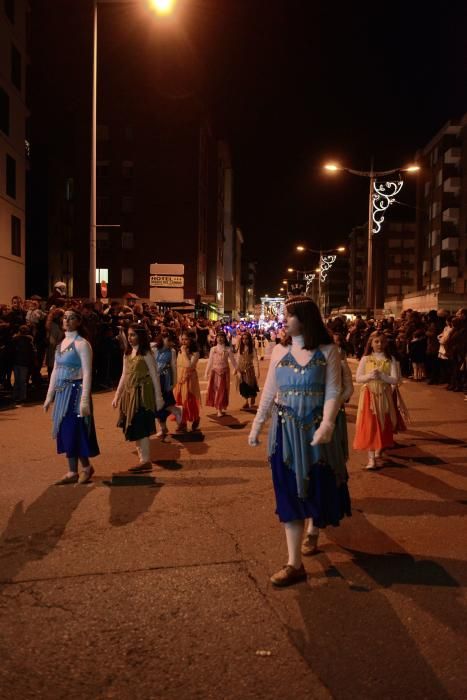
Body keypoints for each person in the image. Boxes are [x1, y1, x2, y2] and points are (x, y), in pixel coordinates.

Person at [248, 296, 351, 588]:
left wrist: (329, 423)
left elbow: (334, 390)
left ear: (305, 318)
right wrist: (257, 426)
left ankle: (314, 528)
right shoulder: (278, 351)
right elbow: (269, 393)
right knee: (289, 492)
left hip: (318, 432)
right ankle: (294, 563)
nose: (285, 320)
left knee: (317, 486)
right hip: (286, 433)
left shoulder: (330, 351)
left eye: (290, 315)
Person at [43, 310, 99, 485]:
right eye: (65, 317)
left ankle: (87, 467)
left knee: (77, 430)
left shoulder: (82, 344)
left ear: (79, 322)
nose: (67, 320)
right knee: (65, 431)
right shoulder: (61, 344)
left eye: (71, 317)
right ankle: (72, 470)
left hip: (76, 392)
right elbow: (55, 371)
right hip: (62, 393)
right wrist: (49, 395)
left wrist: (84, 399)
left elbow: (88, 372)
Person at [112, 324, 164, 472]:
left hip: (143, 394)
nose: (130, 338)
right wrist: (117, 395)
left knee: (141, 425)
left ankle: (145, 460)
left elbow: (155, 375)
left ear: (140, 336)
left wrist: (158, 397)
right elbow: (124, 374)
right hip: (129, 393)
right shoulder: (127, 353)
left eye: (133, 335)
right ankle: (143, 458)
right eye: (129, 335)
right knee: (134, 425)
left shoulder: (146, 353)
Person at [353, 331, 401, 469]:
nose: (379, 345)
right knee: (370, 425)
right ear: (371, 343)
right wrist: (369, 376)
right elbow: (358, 378)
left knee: (382, 424)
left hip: (384, 396)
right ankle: (371, 459)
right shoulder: (365, 359)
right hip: (369, 396)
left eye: (382, 342)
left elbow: (395, 379)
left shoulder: (390, 359)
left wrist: (382, 376)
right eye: (376, 342)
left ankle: (379, 449)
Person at [151, 330, 182, 437]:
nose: (171, 343)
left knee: (164, 403)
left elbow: (174, 367)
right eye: (169, 340)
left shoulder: (172, 351)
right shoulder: (153, 348)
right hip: (154, 379)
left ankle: (176, 411)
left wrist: (174, 382)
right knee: (156, 406)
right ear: (163, 338)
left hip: (165, 379)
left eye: (172, 341)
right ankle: (163, 428)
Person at [173, 332, 202, 432]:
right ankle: (182, 423)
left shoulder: (195, 353)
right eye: (183, 339)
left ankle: (196, 418)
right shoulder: (180, 351)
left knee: (189, 400)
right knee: (179, 400)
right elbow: (178, 365)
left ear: (191, 340)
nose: (184, 342)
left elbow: (189, 365)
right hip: (180, 380)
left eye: (186, 339)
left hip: (190, 379)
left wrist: (185, 353)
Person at [205, 330, 237, 417]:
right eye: (218, 337)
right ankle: (218, 407)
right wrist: (206, 372)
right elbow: (210, 361)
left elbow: (233, 361)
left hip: (224, 373)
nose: (220, 339)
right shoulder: (213, 349)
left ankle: (220, 408)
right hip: (215, 372)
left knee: (222, 390)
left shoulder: (228, 349)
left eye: (222, 337)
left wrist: (236, 369)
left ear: (224, 338)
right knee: (215, 390)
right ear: (216, 338)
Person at [236, 330, 260, 409]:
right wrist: (236, 369)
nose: (244, 340)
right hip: (242, 370)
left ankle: (253, 396)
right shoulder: (240, 348)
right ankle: (246, 401)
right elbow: (238, 359)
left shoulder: (252, 349)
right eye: (243, 339)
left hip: (250, 370)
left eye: (246, 339)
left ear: (249, 340)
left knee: (251, 385)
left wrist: (257, 371)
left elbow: (255, 360)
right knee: (243, 386)